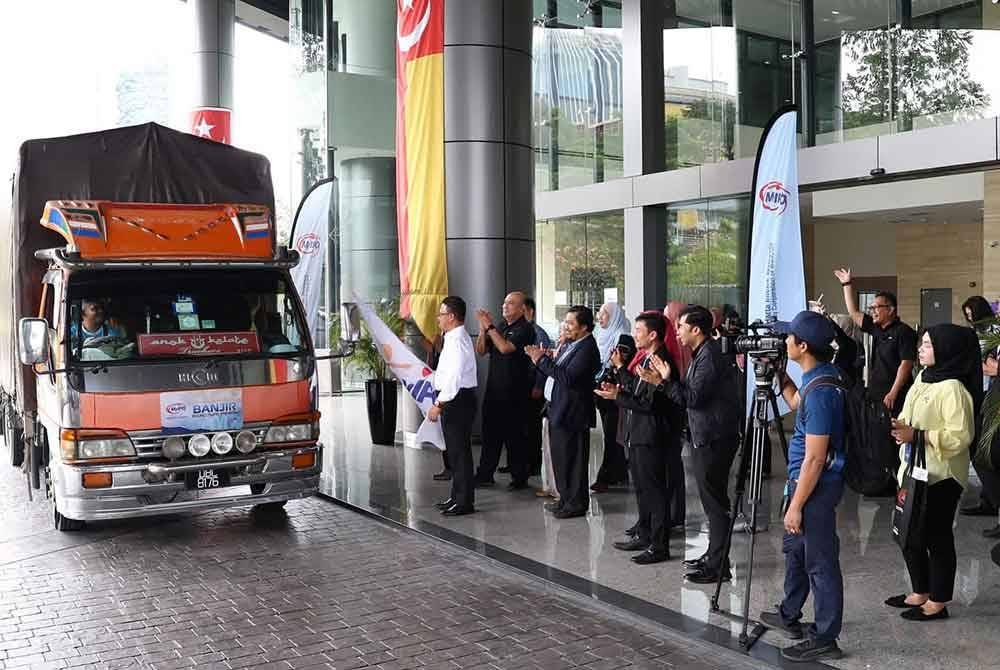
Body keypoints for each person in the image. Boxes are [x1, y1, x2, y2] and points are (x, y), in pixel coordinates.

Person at [757, 311, 847, 663]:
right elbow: (796, 402)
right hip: (804, 485)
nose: (785, 342)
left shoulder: (822, 392)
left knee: (820, 563)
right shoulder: (817, 378)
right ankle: (789, 612)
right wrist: (779, 374)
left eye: (789, 338)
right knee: (796, 553)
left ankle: (826, 636)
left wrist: (796, 505)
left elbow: (815, 458)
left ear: (803, 345)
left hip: (814, 490)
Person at [885, 324, 975, 622]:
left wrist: (919, 435)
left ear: (946, 349)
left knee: (935, 537)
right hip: (913, 470)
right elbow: (911, 414)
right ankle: (919, 591)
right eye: (921, 343)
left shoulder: (954, 388)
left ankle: (938, 600)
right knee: (909, 533)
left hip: (941, 477)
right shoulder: (924, 377)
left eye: (927, 345)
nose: (920, 349)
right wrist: (899, 426)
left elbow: (960, 437)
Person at [646, 305, 741, 584]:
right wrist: (666, 380)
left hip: (714, 438)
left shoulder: (709, 355)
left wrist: (664, 381)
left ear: (696, 330)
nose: (676, 332)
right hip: (707, 435)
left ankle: (718, 565)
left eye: (681, 327)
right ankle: (714, 555)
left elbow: (693, 399)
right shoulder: (702, 353)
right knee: (712, 501)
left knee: (714, 503)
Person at [596, 312, 684, 565]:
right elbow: (637, 389)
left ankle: (659, 546)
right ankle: (644, 533)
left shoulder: (660, 361)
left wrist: (617, 398)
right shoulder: (645, 357)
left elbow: (649, 404)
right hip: (639, 434)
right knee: (643, 489)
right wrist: (621, 374)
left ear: (653, 334)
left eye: (638, 331)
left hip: (652, 436)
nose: (635, 335)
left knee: (655, 492)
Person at [527, 306, 601, 519]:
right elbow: (558, 370)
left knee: (574, 460)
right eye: (565, 321)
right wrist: (545, 358)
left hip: (573, 412)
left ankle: (576, 503)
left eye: (571, 323)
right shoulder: (571, 344)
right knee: (561, 459)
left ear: (585, 327)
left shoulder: (587, 348)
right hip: (558, 409)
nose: (566, 326)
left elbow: (568, 378)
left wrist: (541, 360)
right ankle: (565, 499)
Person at [833, 269, 917, 417]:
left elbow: (906, 364)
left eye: (876, 307)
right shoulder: (876, 328)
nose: (872, 311)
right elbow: (853, 313)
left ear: (890, 309)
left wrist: (893, 392)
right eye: (871, 308)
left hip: (896, 395)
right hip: (876, 392)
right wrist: (846, 284)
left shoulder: (904, 332)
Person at [474, 292, 536, 490]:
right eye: (504, 302)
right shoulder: (500, 326)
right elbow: (482, 351)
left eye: (510, 303)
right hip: (494, 390)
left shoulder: (525, 329)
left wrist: (490, 326)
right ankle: (485, 474)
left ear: (521, 309)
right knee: (490, 433)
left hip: (514, 392)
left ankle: (519, 478)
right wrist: (483, 330)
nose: (505, 306)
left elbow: (505, 348)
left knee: (514, 436)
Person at [429, 297, 479, 516]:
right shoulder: (451, 337)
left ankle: (464, 501)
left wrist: (439, 404)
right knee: (455, 453)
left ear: (451, 316)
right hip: (454, 398)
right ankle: (456, 496)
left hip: (457, 399)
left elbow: (455, 378)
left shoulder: (458, 340)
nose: (438, 318)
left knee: (460, 453)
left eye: (441, 314)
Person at [959, 295, 1000, 529]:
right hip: (982, 392)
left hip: (991, 395)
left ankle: (992, 500)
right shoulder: (977, 332)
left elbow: (987, 365)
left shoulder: (993, 330)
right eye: (967, 316)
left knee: (985, 452)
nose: (970, 319)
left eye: (972, 314)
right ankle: (989, 499)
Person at [592, 302, 632, 492]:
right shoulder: (599, 335)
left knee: (612, 435)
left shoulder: (623, 337)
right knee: (612, 435)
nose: (600, 317)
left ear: (615, 316)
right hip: (602, 392)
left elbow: (620, 365)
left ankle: (606, 476)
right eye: (599, 313)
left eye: (605, 314)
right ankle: (619, 473)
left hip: (616, 393)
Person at [524, 297, 550, 478]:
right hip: (523, 384)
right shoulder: (519, 330)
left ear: (530, 312)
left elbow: (542, 362)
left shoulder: (538, 334)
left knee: (532, 427)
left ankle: (533, 464)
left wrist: (539, 385)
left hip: (534, 384)